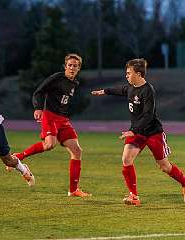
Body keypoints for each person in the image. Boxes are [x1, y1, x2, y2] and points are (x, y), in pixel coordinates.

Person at [91, 58, 185, 205]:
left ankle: (184, 183)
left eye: (129, 73)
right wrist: (104, 91)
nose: (126, 76)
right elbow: (120, 90)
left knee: (164, 167)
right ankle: (134, 196)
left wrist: (133, 130)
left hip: (153, 132)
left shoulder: (148, 91)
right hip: (137, 133)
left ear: (139, 74)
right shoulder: (130, 88)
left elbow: (148, 115)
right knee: (126, 159)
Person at [10, 53, 91, 197]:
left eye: (75, 66)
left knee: (77, 151)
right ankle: (19, 156)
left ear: (79, 68)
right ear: (65, 66)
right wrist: (38, 108)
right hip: (50, 116)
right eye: (70, 65)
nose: (72, 68)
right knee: (50, 145)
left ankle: (73, 190)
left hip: (63, 120)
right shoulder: (57, 78)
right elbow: (39, 92)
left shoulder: (75, 83)